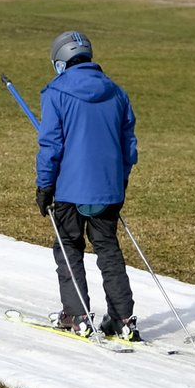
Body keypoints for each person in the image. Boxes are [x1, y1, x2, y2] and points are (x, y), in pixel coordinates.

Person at [34, 29, 139, 341]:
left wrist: (44, 186)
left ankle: (77, 315)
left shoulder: (56, 92)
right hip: (108, 189)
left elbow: (51, 145)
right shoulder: (117, 93)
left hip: (69, 189)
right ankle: (122, 318)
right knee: (108, 248)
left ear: (62, 62)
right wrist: (119, 183)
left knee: (68, 246)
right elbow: (128, 147)